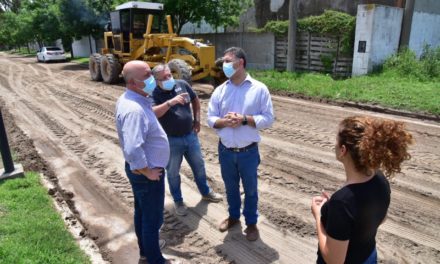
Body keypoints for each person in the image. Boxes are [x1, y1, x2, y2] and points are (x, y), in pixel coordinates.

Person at [311, 116, 413, 264]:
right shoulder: (380, 180)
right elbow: (381, 218)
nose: (334, 144)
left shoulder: (342, 201)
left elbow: (334, 260)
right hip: (369, 256)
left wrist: (319, 215)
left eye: (336, 140)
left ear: (343, 150)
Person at [115, 61, 179, 264]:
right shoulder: (134, 109)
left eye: (151, 72)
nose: (152, 77)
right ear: (133, 82)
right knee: (152, 220)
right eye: (147, 75)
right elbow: (133, 148)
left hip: (141, 172)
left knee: (142, 213)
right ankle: (154, 259)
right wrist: (147, 171)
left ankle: (145, 251)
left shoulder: (134, 99)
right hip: (147, 174)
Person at [207, 47, 274, 241]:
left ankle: (251, 223)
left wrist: (244, 119)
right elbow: (210, 118)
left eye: (228, 61)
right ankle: (234, 216)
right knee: (230, 187)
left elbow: (268, 118)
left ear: (241, 63)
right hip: (226, 150)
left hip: (248, 152)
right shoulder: (220, 90)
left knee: (251, 189)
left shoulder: (259, 89)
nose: (224, 65)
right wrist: (224, 122)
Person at [151, 63, 223, 216]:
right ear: (156, 80)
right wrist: (171, 102)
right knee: (172, 173)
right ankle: (178, 201)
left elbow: (195, 100)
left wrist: (197, 120)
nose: (169, 78)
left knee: (199, 166)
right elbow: (153, 113)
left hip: (190, 136)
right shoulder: (154, 93)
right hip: (171, 141)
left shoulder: (182, 84)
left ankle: (206, 192)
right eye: (164, 78)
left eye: (169, 75)